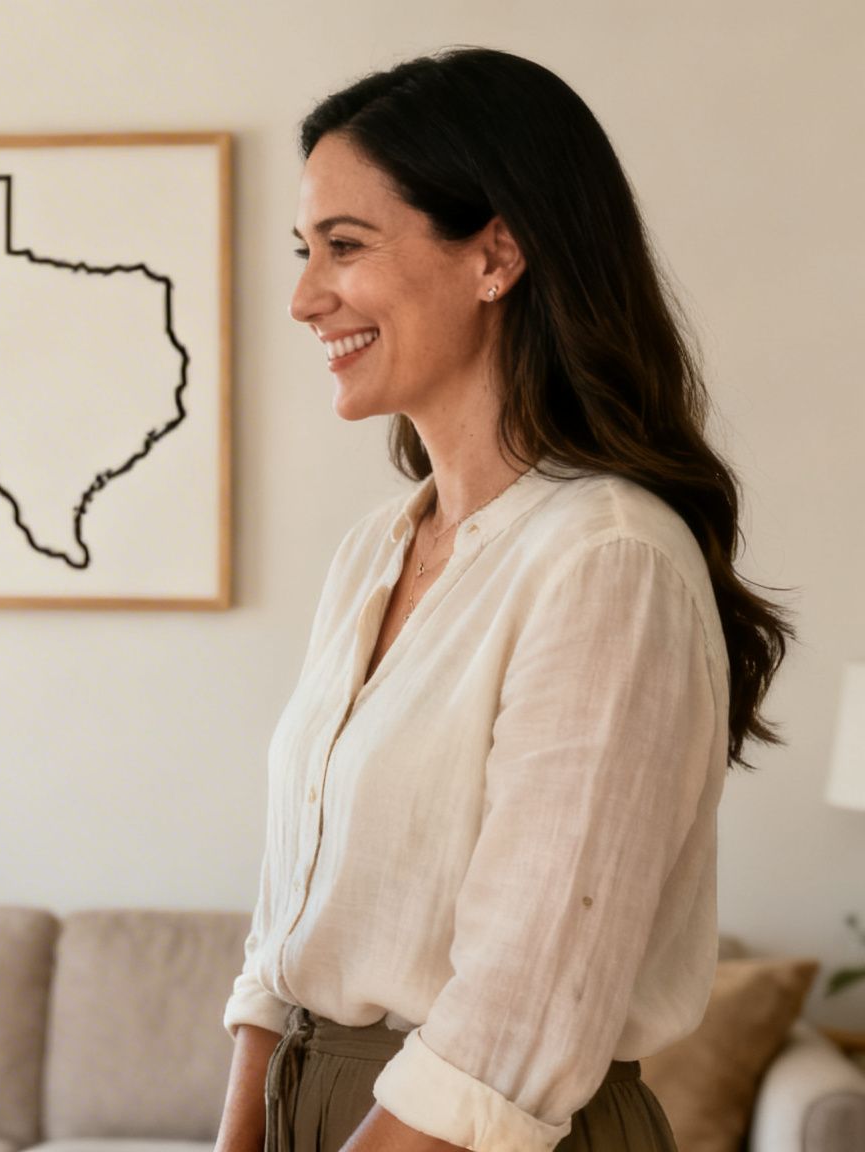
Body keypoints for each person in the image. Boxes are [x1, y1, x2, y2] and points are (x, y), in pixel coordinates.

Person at [213, 48, 791, 1152]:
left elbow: (517, 1010)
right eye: (303, 251)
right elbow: (279, 937)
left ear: (495, 254)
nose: (300, 298)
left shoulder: (606, 560)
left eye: (343, 247)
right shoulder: (373, 554)